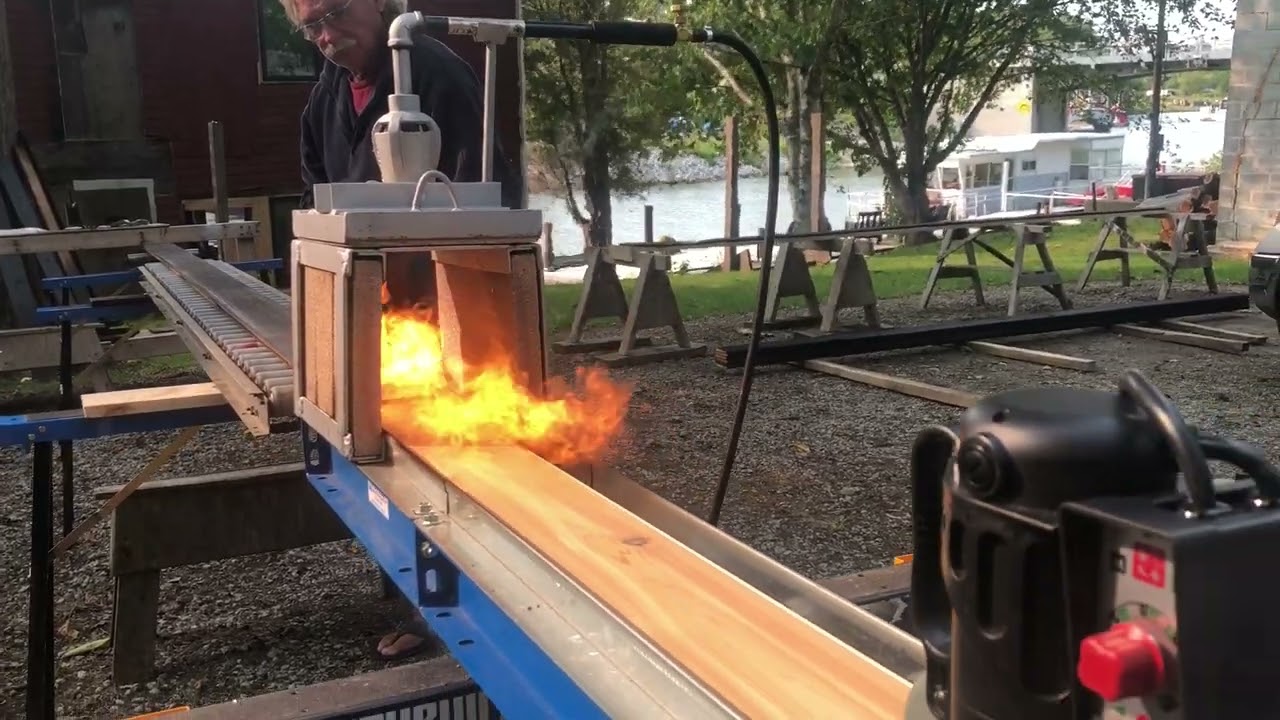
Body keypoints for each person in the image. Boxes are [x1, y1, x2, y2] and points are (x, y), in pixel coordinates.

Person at [282, 0, 518, 661]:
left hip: (443, 304)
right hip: (370, 308)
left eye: (334, 15)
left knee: (450, 453)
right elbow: (315, 190)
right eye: (310, 28)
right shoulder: (327, 94)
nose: (326, 37)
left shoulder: (436, 73)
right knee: (381, 455)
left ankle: (456, 604)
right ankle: (410, 591)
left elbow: (483, 187)